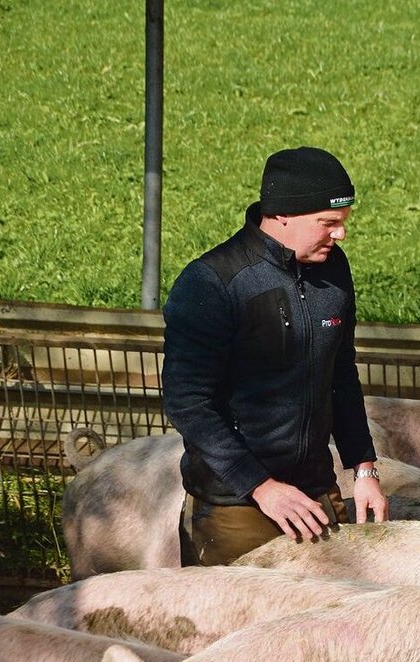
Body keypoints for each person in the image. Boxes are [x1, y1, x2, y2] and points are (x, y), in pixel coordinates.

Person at [162, 146, 387, 565]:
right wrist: (261, 486)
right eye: (328, 223)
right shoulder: (212, 282)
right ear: (284, 215)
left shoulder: (334, 270)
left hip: (315, 490)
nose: (340, 235)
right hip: (235, 503)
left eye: (343, 223)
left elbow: (341, 375)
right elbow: (187, 402)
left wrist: (364, 469)